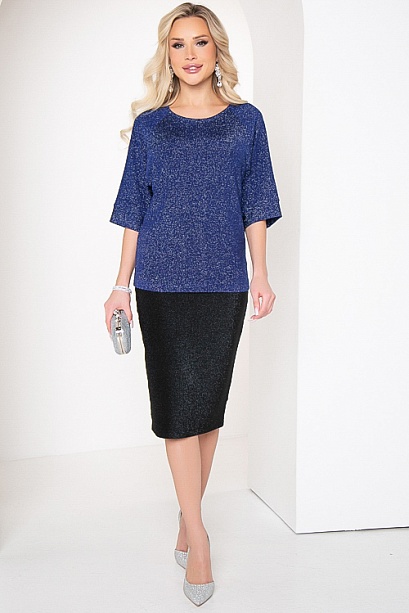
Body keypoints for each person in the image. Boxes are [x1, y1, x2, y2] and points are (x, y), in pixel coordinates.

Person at [104, 2, 282, 606]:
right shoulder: (151, 127)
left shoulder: (246, 121)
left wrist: (261, 274)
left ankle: (187, 517)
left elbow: (256, 200)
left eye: (199, 42)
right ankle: (199, 535)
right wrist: (119, 285)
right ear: (168, 54)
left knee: (206, 410)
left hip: (224, 282)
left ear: (216, 49)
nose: (189, 54)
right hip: (159, 282)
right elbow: (133, 208)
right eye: (177, 44)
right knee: (177, 409)